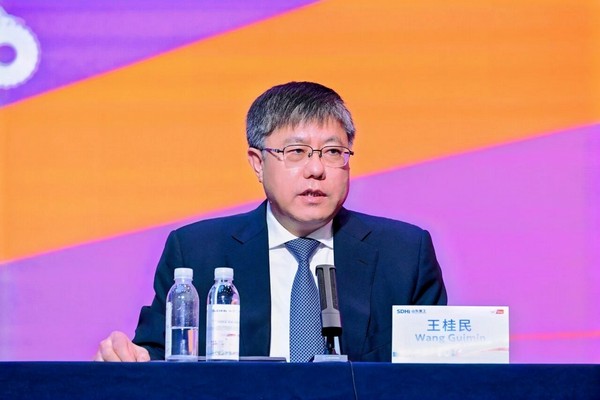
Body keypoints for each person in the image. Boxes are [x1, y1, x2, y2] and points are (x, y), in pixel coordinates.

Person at [94, 81, 447, 362]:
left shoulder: (403, 254)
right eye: (296, 152)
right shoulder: (197, 252)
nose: (316, 169)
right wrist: (128, 360)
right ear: (258, 163)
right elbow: (159, 357)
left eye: (333, 152)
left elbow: (436, 370)